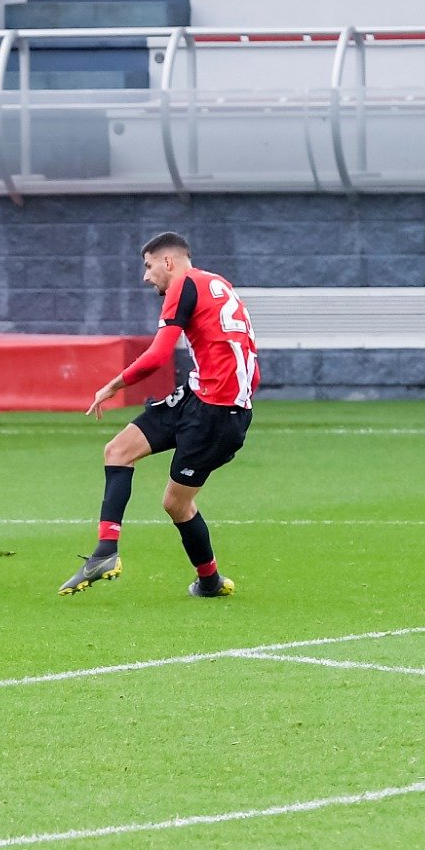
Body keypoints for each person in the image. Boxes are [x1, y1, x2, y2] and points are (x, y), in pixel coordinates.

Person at [59, 232, 258, 598]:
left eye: (149, 266)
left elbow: (158, 354)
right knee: (117, 450)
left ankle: (210, 582)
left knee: (175, 503)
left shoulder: (183, 283)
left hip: (217, 414)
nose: (146, 276)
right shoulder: (216, 283)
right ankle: (105, 552)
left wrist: (113, 385)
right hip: (201, 397)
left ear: (168, 262)